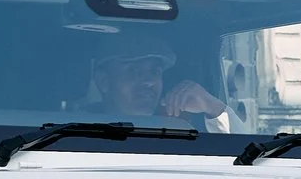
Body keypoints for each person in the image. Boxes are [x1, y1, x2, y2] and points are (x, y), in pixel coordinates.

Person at [89, 46, 225, 128]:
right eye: (134, 71)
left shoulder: (180, 134)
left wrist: (213, 107)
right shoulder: (80, 136)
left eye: (155, 72)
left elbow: (237, 155)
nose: (149, 82)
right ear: (104, 81)